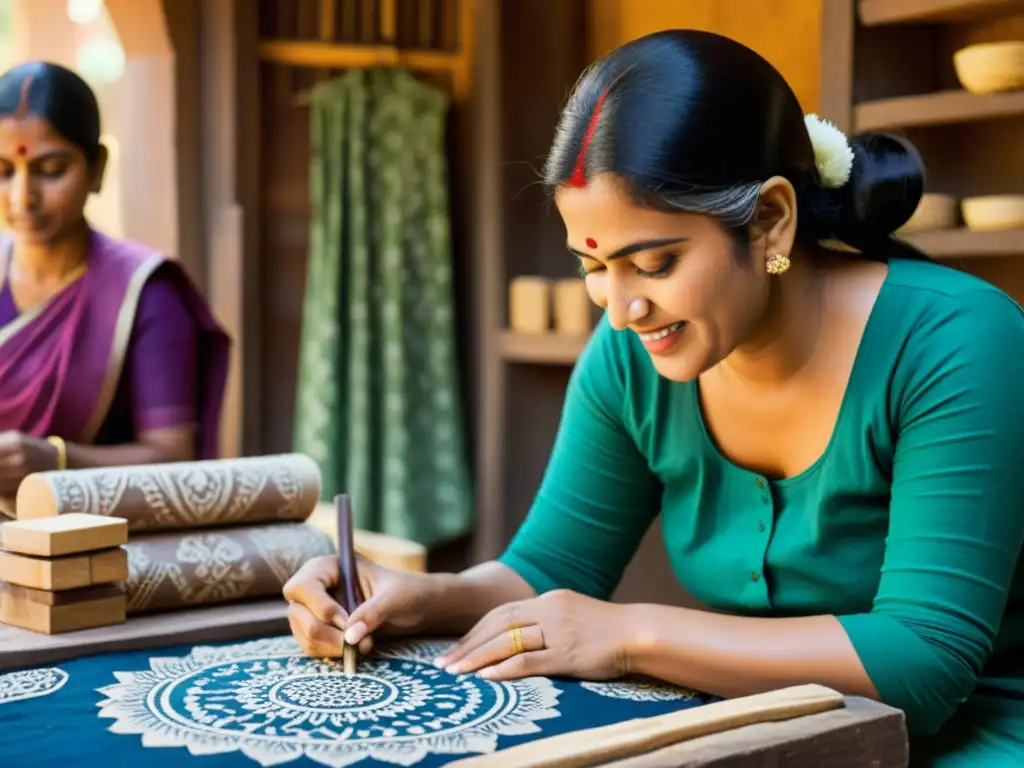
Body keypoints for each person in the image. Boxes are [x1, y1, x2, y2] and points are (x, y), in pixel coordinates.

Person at [283, 30, 1024, 766]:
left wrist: (630, 634)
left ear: (770, 219)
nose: (620, 309)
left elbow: (924, 663)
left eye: (657, 263)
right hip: (778, 730)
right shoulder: (632, 357)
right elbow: (548, 569)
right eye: (594, 265)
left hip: (973, 735)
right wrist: (420, 598)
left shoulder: (955, 342)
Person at [0, 61, 230, 509]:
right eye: (4, 170)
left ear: (97, 168)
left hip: (91, 548)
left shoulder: (145, 293)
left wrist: (57, 460)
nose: (22, 196)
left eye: (50, 169)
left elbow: (172, 459)